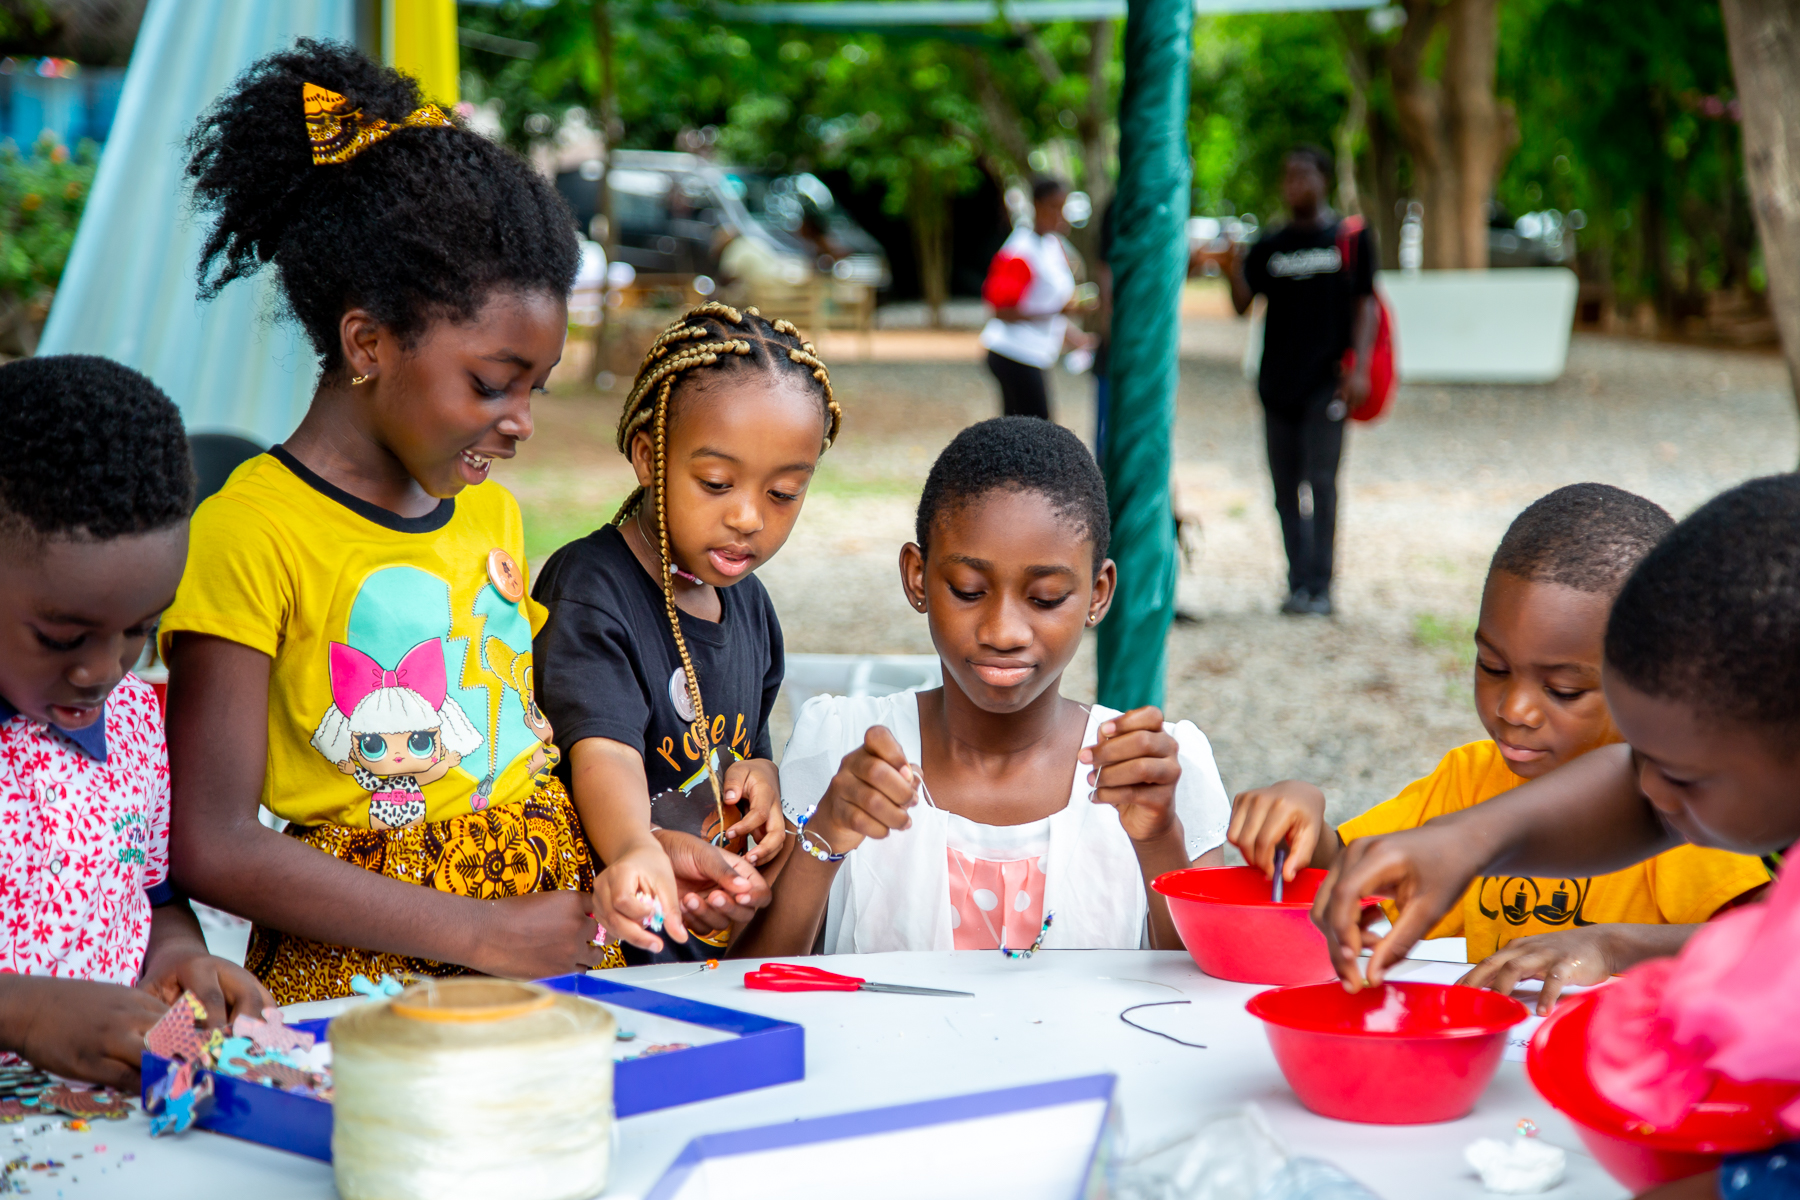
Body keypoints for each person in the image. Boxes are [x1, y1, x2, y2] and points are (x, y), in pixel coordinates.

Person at [159, 42, 627, 1003]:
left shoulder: (487, 511)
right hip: (370, 985)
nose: (523, 422)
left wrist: (648, 846)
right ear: (367, 342)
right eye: (492, 384)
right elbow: (211, 843)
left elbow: (514, 754)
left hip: (549, 951)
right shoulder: (251, 531)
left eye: (535, 388)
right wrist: (481, 932)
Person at [1309, 475, 1800, 1200]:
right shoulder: (1732, 764)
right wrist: (1467, 839)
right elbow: (1637, 797)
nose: (1652, 794)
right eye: (1641, 759)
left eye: (1682, 777)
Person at [1230, 483, 1768, 1009]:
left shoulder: (1687, 798)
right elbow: (1362, 874)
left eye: (1563, 690)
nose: (1515, 710)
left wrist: (1613, 945)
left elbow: (1767, 938)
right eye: (1492, 667)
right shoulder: (1469, 781)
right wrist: (1303, 819)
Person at [736, 417, 1231, 957]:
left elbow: (1204, 998)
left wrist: (1158, 841)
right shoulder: (841, 748)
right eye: (969, 590)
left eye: (1044, 598)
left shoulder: (1160, 778)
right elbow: (748, 982)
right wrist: (823, 835)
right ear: (918, 577)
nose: (1002, 632)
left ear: (1098, 593)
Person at [533, 303, 840, 963]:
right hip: (603, 950)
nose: (749, 516)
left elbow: (742, 753)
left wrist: (763, 784)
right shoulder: (590, 590)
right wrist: (634, 847)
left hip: (698, 955)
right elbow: (602, 752)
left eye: (784, 493)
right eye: (717, 483)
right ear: (648, 456)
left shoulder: (749, 606)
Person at [0, 355, 271, 1086]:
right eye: (62, 638)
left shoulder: (131, 726)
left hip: (97, 1116)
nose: (103, 670)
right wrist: (22, 1011)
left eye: (138, 632)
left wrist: (177, 957)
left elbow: (148, 892)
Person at [1229, 145, 1378, 617]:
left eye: (1303, 174)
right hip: (1276, 385)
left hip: (1327, 384)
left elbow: (1366, 304)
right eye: (1288, 176)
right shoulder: (1271, 244)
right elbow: (1241, 304)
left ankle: (1322, 586)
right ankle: (1297, 584)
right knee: (1284, 487)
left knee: (1322, 482)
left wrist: (1361, 367)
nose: (1295, 183)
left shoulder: (1347, 239)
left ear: (1323, 179)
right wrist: (1230, 264)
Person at [979, 177, 1095, 421]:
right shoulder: (1020, 250)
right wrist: (1059, 311)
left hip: (1034, 354)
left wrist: (1078, 340)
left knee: (1022, 432)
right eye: (1055, 207)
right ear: (1037, 205)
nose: (1060, 215)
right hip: (1013, 352)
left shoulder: (1052, 244)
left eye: (1064, 207)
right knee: (1038, 429)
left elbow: (1050, 308)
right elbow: (999, 310)